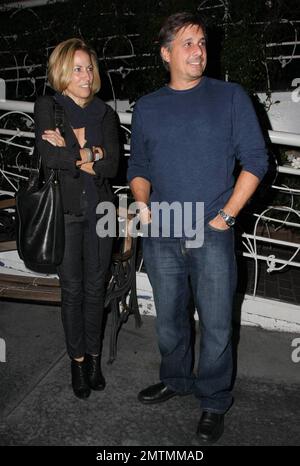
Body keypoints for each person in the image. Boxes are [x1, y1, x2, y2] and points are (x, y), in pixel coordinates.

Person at [128, 12, 268, 443]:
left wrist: (227, 214)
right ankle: (176, 379)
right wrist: (141, 203)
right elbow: (140, 166)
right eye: (187, 43)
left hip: (211, 229)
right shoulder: (148, 107)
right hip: (163, 227)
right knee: (169, 319)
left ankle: (212, 398)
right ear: (166, 53)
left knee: (217, 322)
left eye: (202, 42)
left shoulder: (229, 97)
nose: (199, 51)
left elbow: (257, 160)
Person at [34, 38, 120, 399]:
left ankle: (95, 359)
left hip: (102, 212)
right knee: (72, 291)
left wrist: (73, 150)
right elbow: (48, 158)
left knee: (95, 288)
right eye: (77, 68)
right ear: (62, 72)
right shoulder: (49, 107)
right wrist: (90, 154)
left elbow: (113, 166)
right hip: (65, 213)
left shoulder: (106, 114)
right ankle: (78, 362)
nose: (86, 75)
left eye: (89, 68)